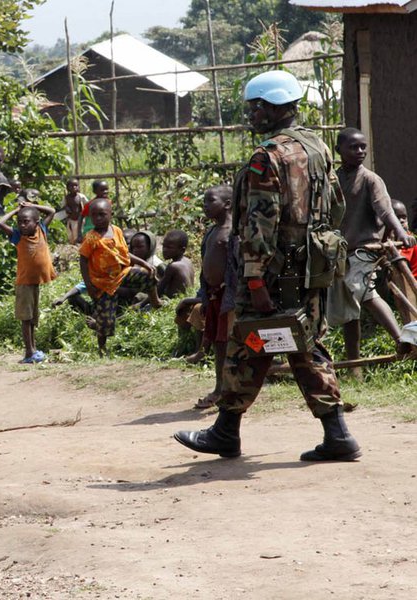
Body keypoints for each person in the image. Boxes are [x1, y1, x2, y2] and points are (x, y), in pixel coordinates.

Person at [174, 70, 361, 462]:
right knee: (298, 344)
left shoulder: (267, 156)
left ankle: (227, 432)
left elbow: (261, 222)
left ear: (271, 108)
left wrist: (255, 278)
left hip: (274, 273)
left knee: (252, 342)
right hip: (310, 267)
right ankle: (334, 435)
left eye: (255, 108)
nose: (251, 115)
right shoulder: (316, 147)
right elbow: (336, 206)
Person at [326, 128, 416, 366]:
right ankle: (353, 365)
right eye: (353, 147)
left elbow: (385, 209)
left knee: (361, 290)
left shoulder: (370, 179)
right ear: (339, 150)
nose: (360, 151)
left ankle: (403, 341)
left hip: (366, 249)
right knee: (349, 308)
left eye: (363, 147)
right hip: (341, 251)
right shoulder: (333, 179)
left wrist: (399, 231)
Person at [79, 197, 161, 355]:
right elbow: (83, 260)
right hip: (103, 283)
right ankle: (102, 349)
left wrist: (144, 264)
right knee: (106, 320)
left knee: (148, 275)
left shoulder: (116, 231)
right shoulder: (91, 238)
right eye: (94, 215)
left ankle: (155, 300)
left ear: (111, 214)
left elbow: (125, 254)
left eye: (102, 214)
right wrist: (88, 284)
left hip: (121, 274)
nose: (98, 218)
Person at [177, 185, 234, 409]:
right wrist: (203, 295)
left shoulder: (232, 232)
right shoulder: (212, 231)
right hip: (213, 295)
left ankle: (228, 389)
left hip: (228, 296)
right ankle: (221, 388)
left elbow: (234, 267)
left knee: (231, 342)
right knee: (219, 342)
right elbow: (205, 266)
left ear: (227, 204)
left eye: (210, 201)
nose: (205, 206)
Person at [0, 193, 57, 363]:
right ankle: (29, 353)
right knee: (26, 318)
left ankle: (33, 349)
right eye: (20, 222)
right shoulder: (18, 236)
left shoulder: (41, 230)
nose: (22, 225)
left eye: (26, 221)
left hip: (35, 283)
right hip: (24, 284)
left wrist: (32, 206)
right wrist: (17, 210)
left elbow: (52, 211)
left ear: (36, 222)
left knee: (32, 318)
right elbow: (0, 223)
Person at [157, 230, 194, 298]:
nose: (164, 250)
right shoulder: (188, 261)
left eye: (169, 247)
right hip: (188, 297)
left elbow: (159, 291)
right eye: (164, 246)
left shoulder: (173, 266)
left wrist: (140, 305)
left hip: (173, 302)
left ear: (182, 250)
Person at [56, 176, 89, 246]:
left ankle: (81, 244)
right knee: (72, 234)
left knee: (81, 232)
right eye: (72, 186)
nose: (74, 187)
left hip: (80, 219)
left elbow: (88, 204)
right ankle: (73, 244)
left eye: (76, 185)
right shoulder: (66, 198)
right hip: (71, 219)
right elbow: (62, 206)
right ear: (68, 188)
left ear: (78, 187)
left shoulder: (81, 197)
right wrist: (66, 208)